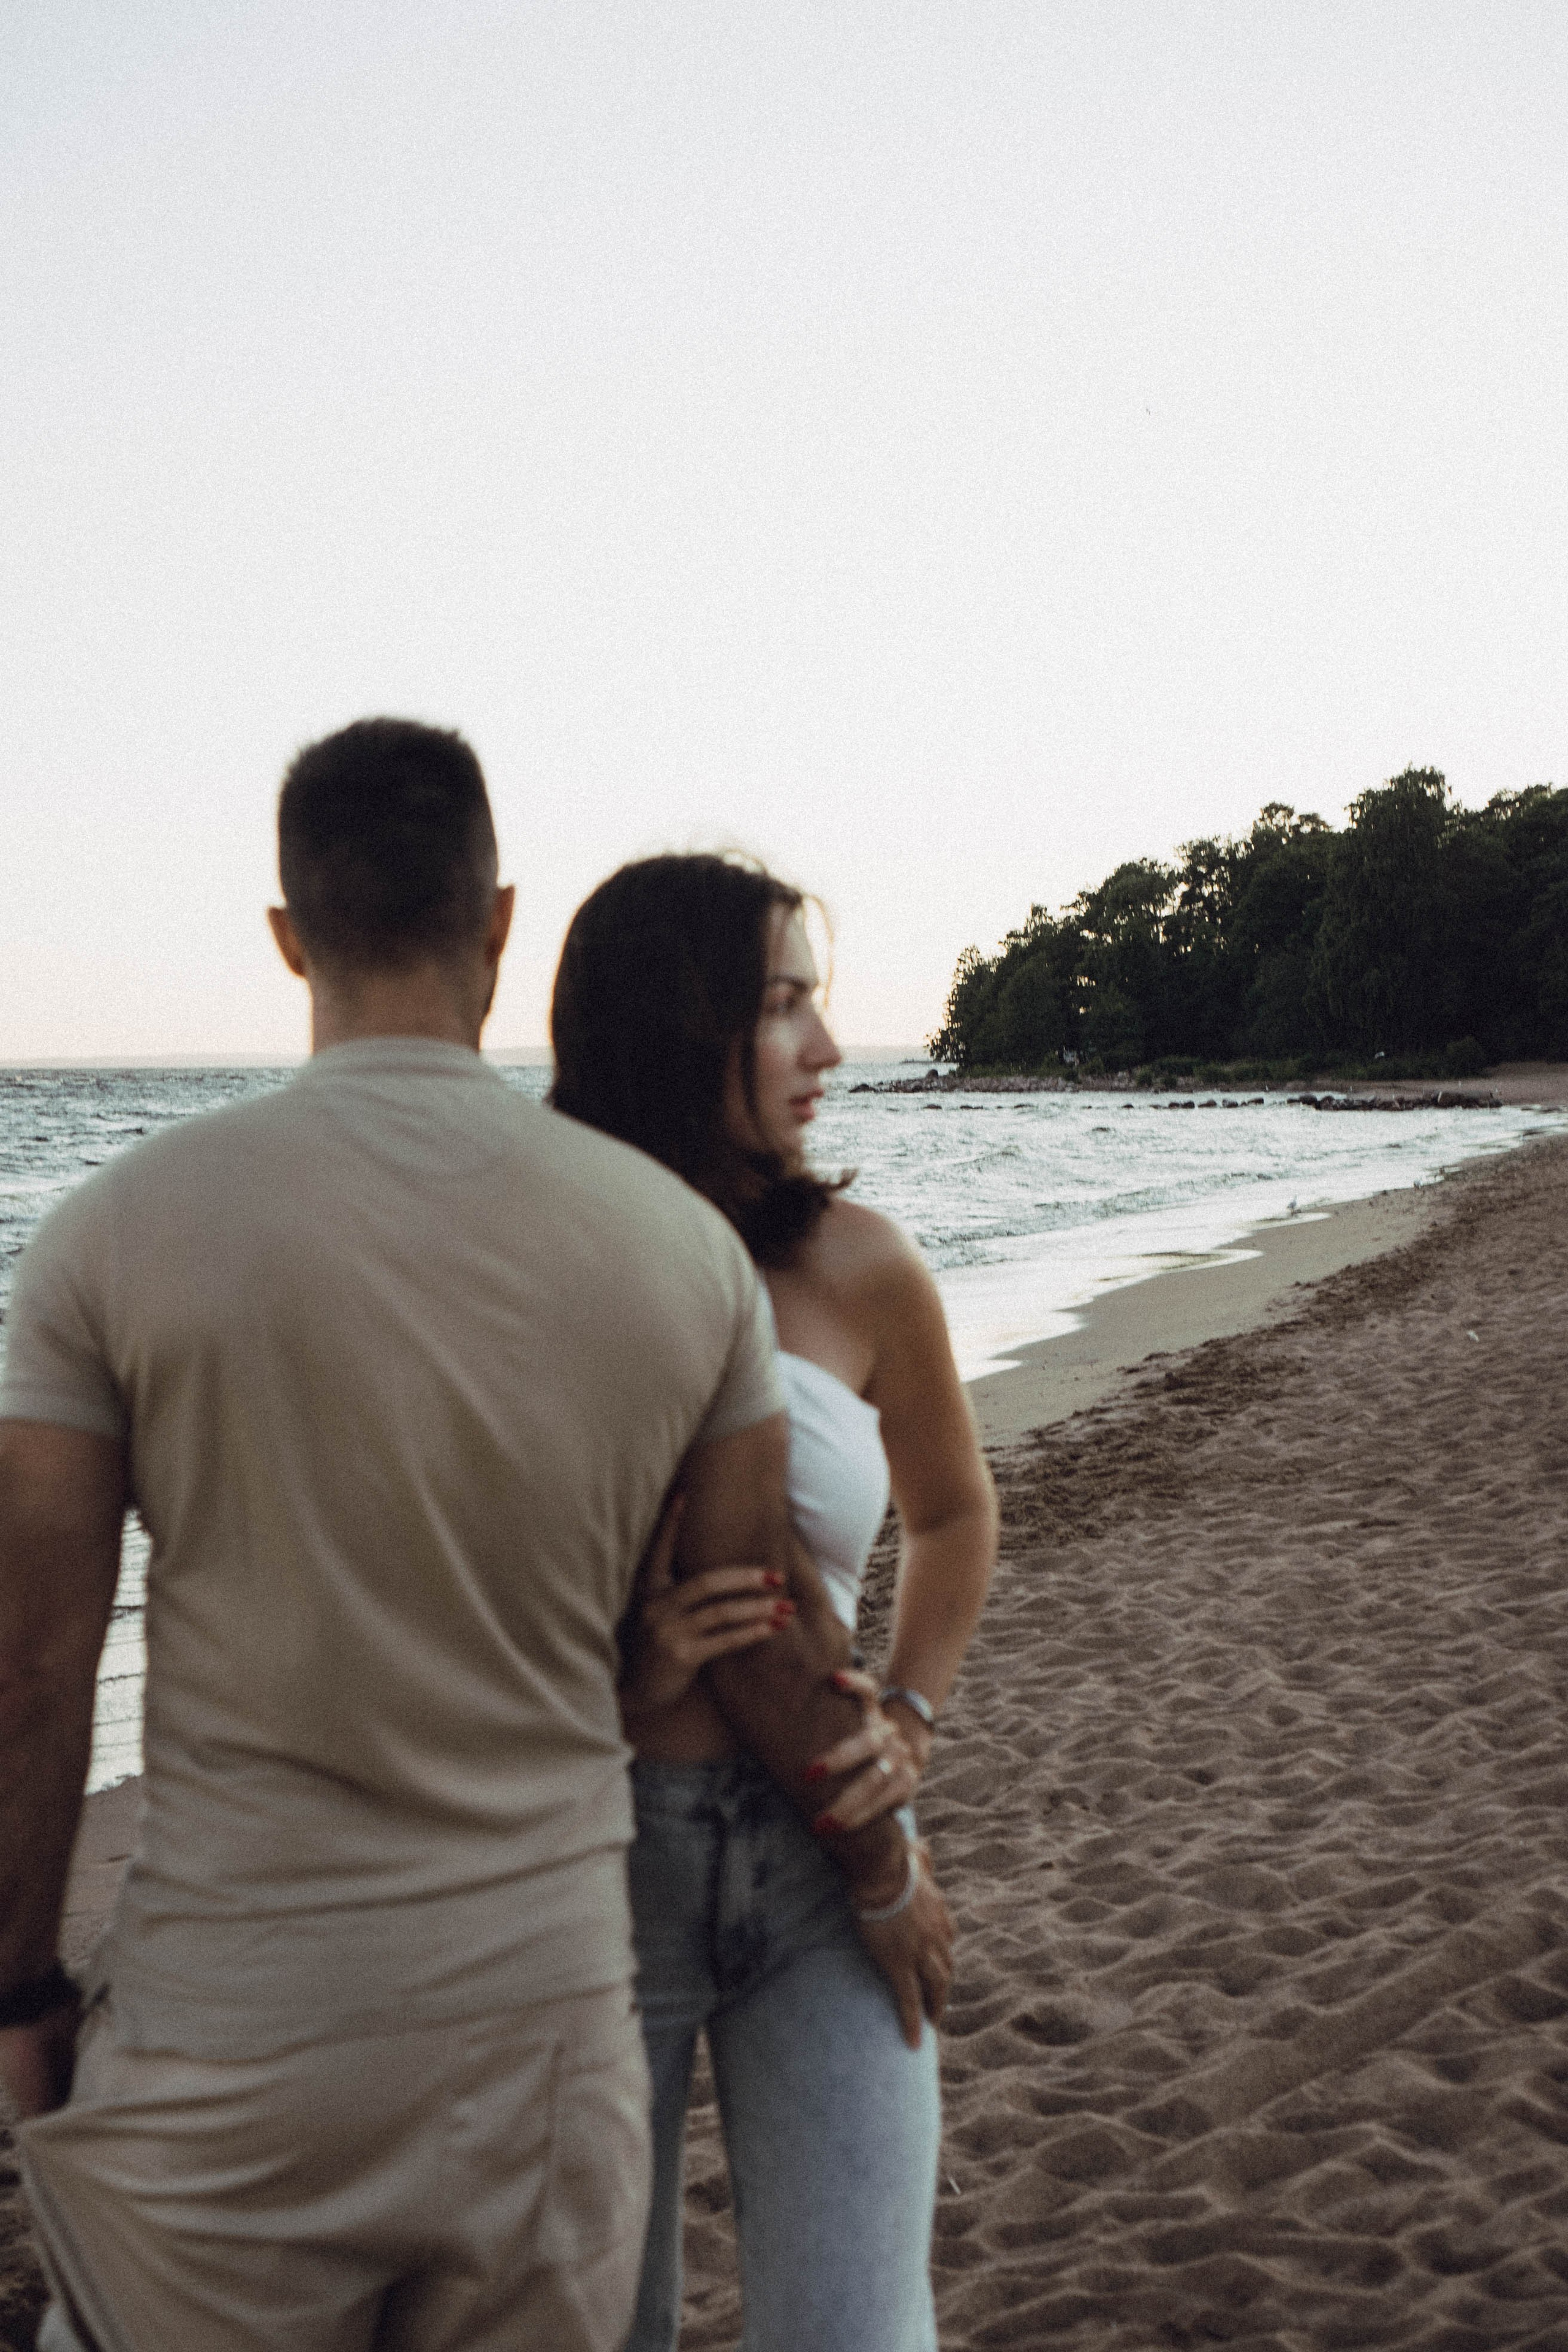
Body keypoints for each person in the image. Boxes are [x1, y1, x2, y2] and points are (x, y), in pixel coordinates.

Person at [0, 723, 943, 2352]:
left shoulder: (108, 1236)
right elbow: (765, 1619)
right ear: (498, 925)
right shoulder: (683, 1257)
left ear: (290, 934)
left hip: (235, 2033)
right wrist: (879, 1854)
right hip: (546, 2024)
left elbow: (30, 1665)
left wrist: (19, 1990)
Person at [551, 854, 998, 2352]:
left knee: (859, 2331)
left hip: (828, 1857)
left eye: (820, 1003)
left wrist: (914, 1720)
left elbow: (950, 1512)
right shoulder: (537, 1272)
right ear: (678, 1026)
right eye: (781, 1007)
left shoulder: (861, 1269)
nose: (826, 1049)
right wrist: (607, 1679)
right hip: (589, 1864)